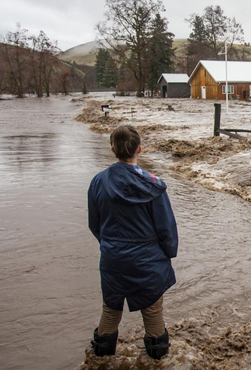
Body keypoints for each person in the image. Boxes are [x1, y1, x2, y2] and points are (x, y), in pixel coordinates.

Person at [87, 125, 178, 359]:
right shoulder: (153, 184)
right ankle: (158, 361)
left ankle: (100, 361)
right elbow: (166, 228)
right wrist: (168, 253)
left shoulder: (98, 182)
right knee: (152, 310)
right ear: (139, 149)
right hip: (147, 259)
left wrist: (110, 245)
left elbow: (94, 224)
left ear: (111, 149)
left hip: (112, 257)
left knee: (110, 310)